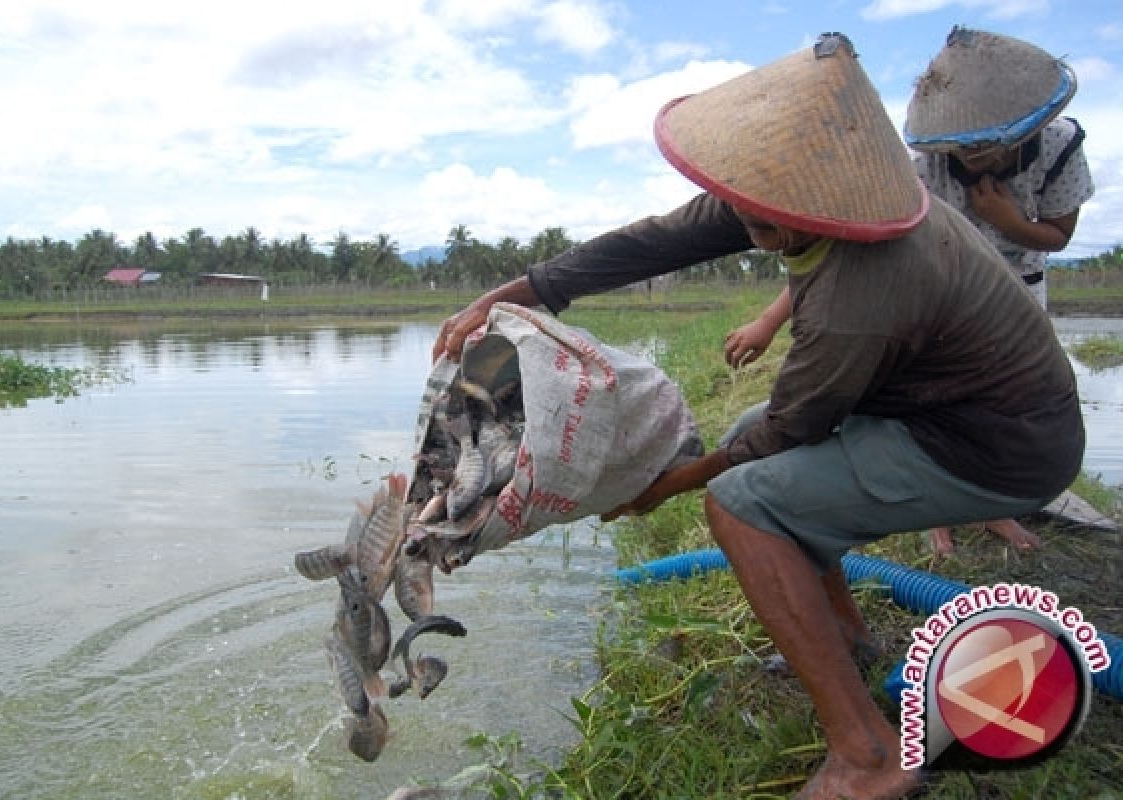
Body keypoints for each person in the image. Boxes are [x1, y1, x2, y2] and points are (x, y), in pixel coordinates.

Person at [432, 33, 1084, 800]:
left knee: (742, 504)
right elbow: (657, 240)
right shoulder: (807, 200)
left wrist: (666, 486)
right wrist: (514, 296)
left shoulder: (861, 289)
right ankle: (843, 637)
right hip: (942, 410)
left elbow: (793, 431)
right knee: (749, 434)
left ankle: (867, 758)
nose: (740, 221)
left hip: (994, 449)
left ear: (808, 205)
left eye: (756, 217)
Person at [726, 26, 1095, 557]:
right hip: (929, 301)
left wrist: (1005, 219)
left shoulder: (1060, 147)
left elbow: (1058, 236)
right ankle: (936, 517)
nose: (974, 161)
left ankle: (993, 509)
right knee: (923, 396)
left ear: (1024, 132)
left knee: (998, 405)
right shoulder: (917, 170)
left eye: (989, 149)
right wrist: (769, 320)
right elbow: (847, 256)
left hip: (1013, 291)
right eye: (962, 151)